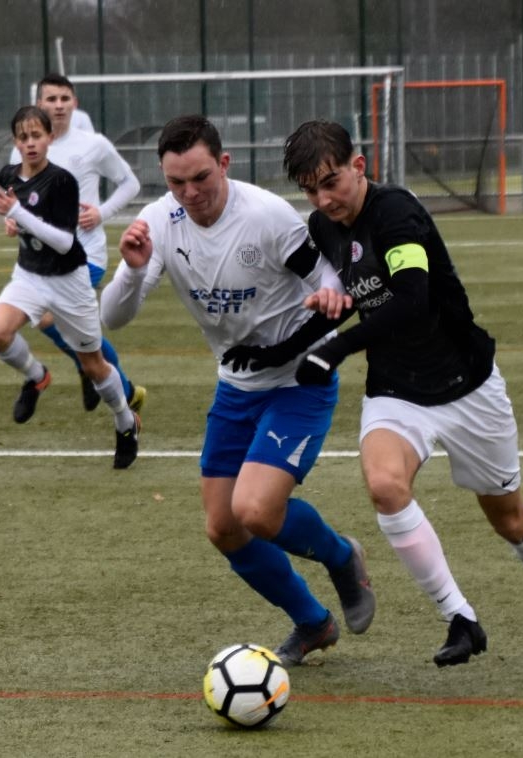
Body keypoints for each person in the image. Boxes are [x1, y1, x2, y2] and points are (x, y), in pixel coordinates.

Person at [274, 119, 523, 667]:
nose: (323, 199)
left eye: (332, 182)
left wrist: (337, 349)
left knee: (509, 518)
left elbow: (412, 300)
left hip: (468, 384)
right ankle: (460, 618)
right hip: (397, 389)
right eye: (310, 189)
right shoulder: (323, 228)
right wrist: (300, 336)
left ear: (359, 166)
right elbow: (347, 293)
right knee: (384, 485)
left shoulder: (396, 211)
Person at [100, 115, 375, 667]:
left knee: (255, 511)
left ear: (224, 164)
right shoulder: (159, 222)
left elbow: (332, 286)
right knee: (223, 528)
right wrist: (130, 272)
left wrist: (307, 322)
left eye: (200, 177)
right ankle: (313, 623)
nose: (190, 193)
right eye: (176, 182)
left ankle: (343, 557)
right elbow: (113, 318)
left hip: (299, 383)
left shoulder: (268, 218)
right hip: (235, 387)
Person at [0, 105, 140, 469]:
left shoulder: (62, 181)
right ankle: (37, 377)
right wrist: (14, 224)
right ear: (15, 142)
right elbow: (21, 220)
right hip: (29, 276)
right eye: (23, 137)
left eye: (37, 135)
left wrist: (18, 216)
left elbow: (65, 242)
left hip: (69, 282)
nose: (31, 143)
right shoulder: (9, 174)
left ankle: (124, 420)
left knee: (93, 364)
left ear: (50, 138)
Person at [10, 73, 146, 414]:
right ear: (39, 104)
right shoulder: (24, 148)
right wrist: (10, 219)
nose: (58, 105)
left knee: (43, 318)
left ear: (75, 103)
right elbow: (16, 199)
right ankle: (91, 368)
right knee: (58, 325)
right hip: (41, 260)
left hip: (86, 255)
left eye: (64, 99)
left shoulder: (93, 144)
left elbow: (130, 183)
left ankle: (124, 390)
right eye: (51, 99)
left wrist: (101, 213)